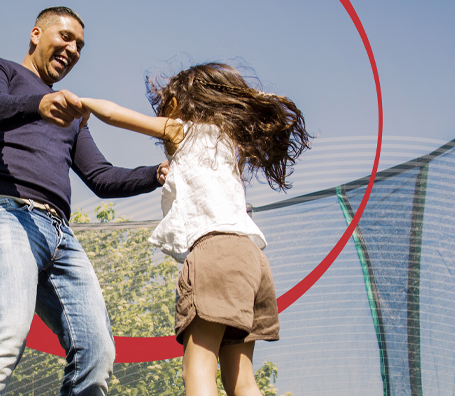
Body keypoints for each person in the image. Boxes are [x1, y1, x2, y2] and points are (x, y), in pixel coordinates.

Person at [0, 6, 167, 396]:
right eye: (65, 37)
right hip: (3, 211)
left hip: (59, 235)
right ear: (36, 34)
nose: (73, 49)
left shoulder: (68, 113)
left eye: (80, 46)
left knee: (97, 350)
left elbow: (102, 177)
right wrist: (37, 105)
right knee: (6, 329)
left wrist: (156, 174)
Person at [79, 62, 310, 396]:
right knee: (242, 381)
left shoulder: (181, 129)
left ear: (182, 103)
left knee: (197, 369)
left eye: (166, 105)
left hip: (215, 252)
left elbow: (115, 114)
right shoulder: (228, 140)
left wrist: (84, 105)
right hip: (253, 260)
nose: (161, 112)